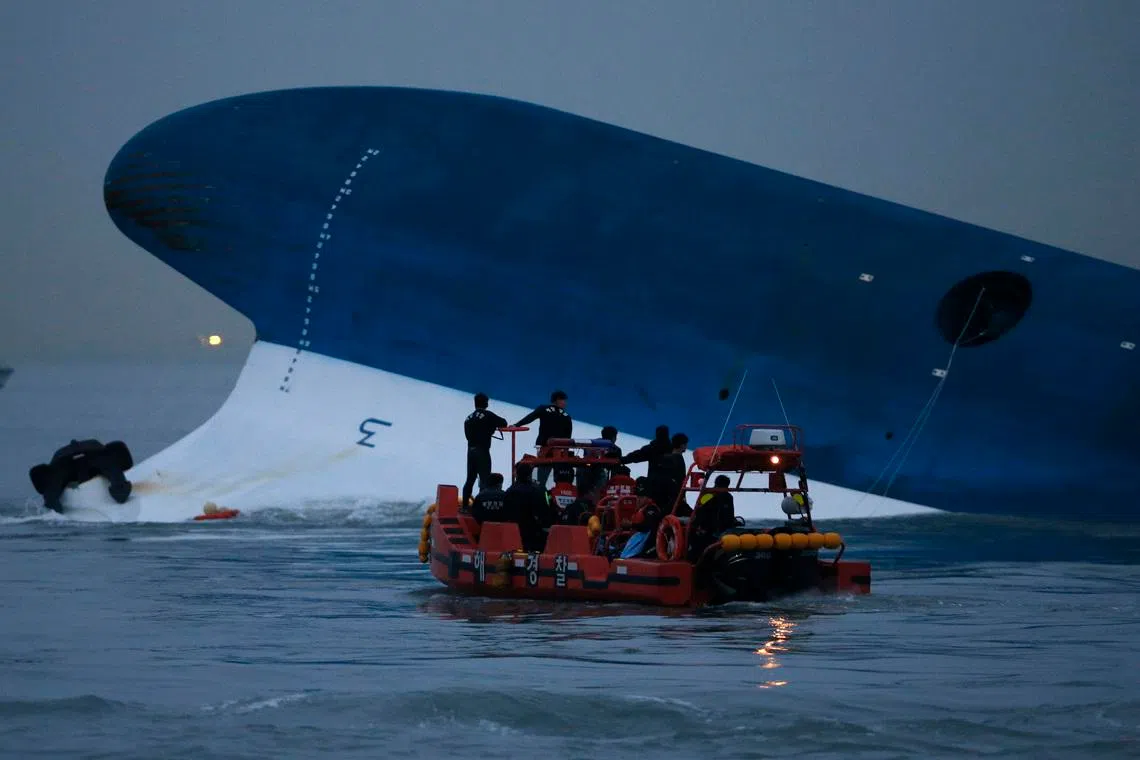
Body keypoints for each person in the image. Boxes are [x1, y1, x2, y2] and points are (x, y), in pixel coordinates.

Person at [512, 390, 572, 487]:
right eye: (563, 400)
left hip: (544, 448)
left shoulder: (543, 409)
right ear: (557, 400)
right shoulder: (567, 416)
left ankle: (540, 490)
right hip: (559, 451)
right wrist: (566, 451)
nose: (565, 403)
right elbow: (568, 437)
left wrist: (516, 425)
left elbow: (530, 417)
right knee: (560, 477)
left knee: (542, 475)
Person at [462, 392, 508, 507]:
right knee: (485, 480)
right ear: (486, 404)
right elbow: (504, 423)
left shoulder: (468, 418)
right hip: (482, 451)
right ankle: (482, 506)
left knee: (470, 479)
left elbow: (467, 436)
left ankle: (464, 506)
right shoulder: (488, 415)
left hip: (470, 451)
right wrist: (491, 427)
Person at [503, 461, 560, 551]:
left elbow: (504, 512)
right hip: (533, 535)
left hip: (512, 534)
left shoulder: (509, 492)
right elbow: (546, 512)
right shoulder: (538, 491)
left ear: (516, 474)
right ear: (530, 474)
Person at [688, 475, 737, 559]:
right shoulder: (708, 495)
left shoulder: (728, 497)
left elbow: (729, 515)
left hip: (721, 531)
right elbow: (699, 511)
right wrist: (700, 527)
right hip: (706, 531)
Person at [576, 425, 622, 499]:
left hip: (585, 476)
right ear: (614, 438)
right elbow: (615, 471)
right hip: (595, 476)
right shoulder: (616, 449)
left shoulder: (591, 444)